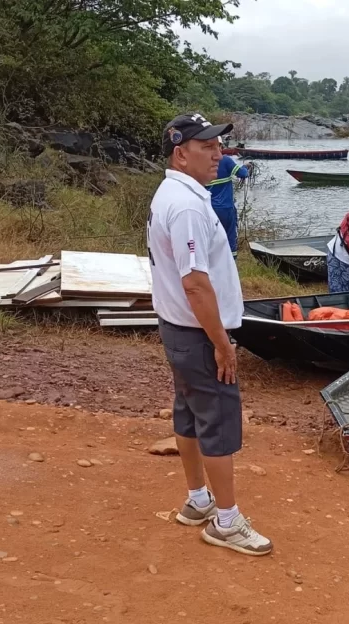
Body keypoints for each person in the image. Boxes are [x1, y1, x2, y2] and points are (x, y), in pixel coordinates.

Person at [146, 113, 272, 557]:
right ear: (181, 154)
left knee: (190, 413)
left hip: (178, 326)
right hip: (197, 331)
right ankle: (226, 520)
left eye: (219, 145)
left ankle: (199, 499)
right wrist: (222, 343)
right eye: (208, 147)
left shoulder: (175, 194)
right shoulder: (185, 206)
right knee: (216, 420)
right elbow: (195, 282)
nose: (219, 154)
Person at [207, 152, 253, 258]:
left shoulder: (201, 162)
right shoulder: (225, 160)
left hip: (209, 209)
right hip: (226, 208)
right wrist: (246, 166)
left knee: (211, 240)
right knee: (230, 237)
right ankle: (232, 264)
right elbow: (242, 173)